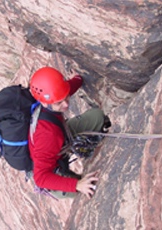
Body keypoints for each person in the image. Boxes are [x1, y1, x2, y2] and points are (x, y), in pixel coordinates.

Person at [28, 66, 109, 199]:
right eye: (59, 103)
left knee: (97, 116)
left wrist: (76, 79)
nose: (66, 105)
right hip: (51, 168)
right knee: (88, 187)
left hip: (61, 138)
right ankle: (73, 185)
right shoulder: (47, 135)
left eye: (66, 98)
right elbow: (41, 178)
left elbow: (67, 90)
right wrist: (77, 185)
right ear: (44, 102)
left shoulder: (50, 98)